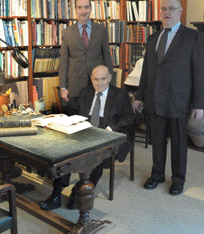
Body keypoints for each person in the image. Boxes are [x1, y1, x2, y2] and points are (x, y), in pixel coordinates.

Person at [132, 0, 204, 196]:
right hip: (154, 99)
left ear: (180, 11)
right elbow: (146, 71)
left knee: (178, 143)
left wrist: (199, 104)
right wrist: (139, 96)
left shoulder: (192, 37)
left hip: (179, 101)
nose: (167, 12)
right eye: (163, 9)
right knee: (157, 141)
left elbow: (200, 73)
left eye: (172, 8)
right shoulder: (153, 38)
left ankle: (178, 179)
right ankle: (156, 175)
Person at [40, 65, 135, 210]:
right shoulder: (86, 92)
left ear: (110, 78)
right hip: (85, 129)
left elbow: (129, 117)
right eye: (96, 79)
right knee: (62, 152)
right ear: (91, 79)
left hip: (107, 131)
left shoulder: (120, 94)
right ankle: (56, 195)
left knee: (96, 157)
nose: (99, 83)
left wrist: (110, 128)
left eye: (103, 79)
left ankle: (78, 192)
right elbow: (73, 111)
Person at [59, 0, 113, 115]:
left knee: (96, 122)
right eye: (80, 7)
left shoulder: (101, 30)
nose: (83, 11)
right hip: (75, 87)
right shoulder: (67, 33)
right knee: (76, 123)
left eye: (86, 7)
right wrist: (63, 87)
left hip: (98, 85)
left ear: (91, 8)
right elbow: (63, 62)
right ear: (75, 9)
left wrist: (110, 83)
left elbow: (107, 58)